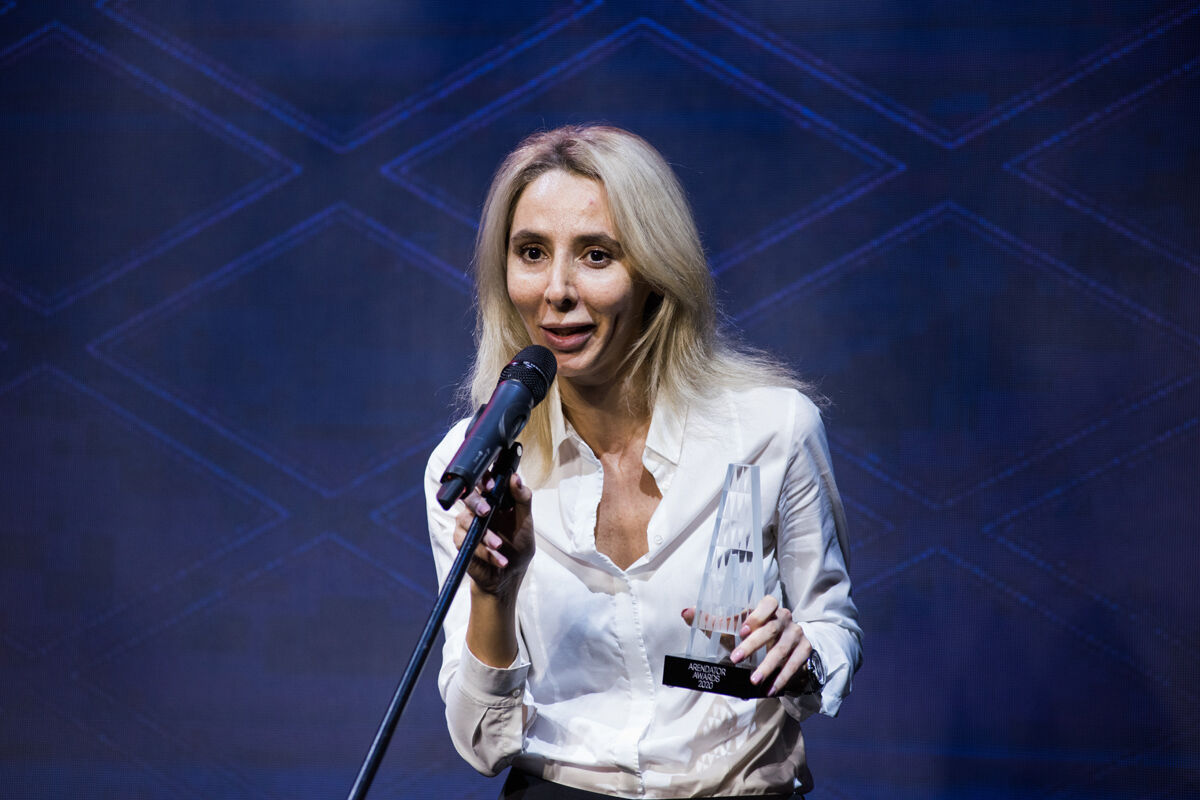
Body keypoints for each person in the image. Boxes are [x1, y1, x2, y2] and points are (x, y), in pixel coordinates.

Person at [426, 124, 861, 799]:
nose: (557, 289)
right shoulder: (470, 471)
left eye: (596, 255)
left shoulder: (772, 431)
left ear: (656, 272)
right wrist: (494, 592)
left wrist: (798, 656)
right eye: (532, 252)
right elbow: (483, 742)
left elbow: (831, 630)